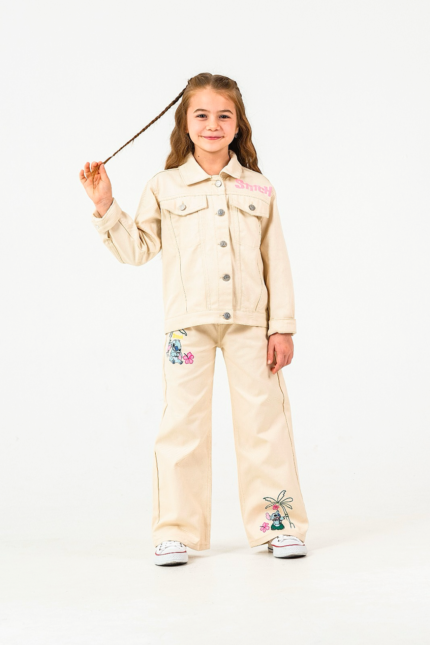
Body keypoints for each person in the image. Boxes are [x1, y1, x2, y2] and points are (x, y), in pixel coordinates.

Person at [79, 73, 309, 567]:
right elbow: (138, 250)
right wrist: (104, 205)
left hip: (251, 324)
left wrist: (282, 326)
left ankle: (279, 526)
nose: (212, 124)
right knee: (182, 426)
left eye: (224, 115)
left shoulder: (259, 187)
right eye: (201, 115)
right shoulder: (164, 186)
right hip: (187, 326)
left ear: (238, 124)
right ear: (185, 123)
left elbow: (277, 260)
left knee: (264, 425)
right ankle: (175, 532)